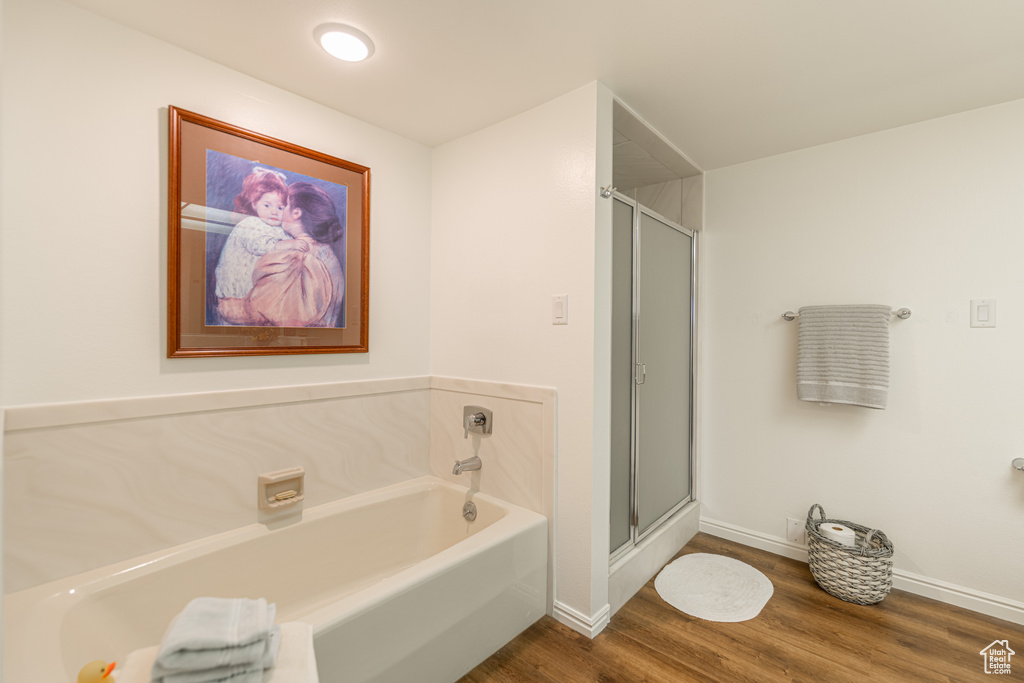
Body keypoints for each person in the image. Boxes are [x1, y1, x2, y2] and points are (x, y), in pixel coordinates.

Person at [218, 182, 345, 328]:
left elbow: (260, 312)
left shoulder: (294, 257)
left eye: (283, 205)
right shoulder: (327, 254)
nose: (277, 210)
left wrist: (225, 307)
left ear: (296, 213)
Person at [213, 167, 295, 301]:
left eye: (280, 207)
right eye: (267, 206)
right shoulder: (250, 223)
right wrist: (292, 245)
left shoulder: (278, 228)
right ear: (254, 204)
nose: (274, 212)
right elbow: (261, 245)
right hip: (236, 293)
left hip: (256, 293)